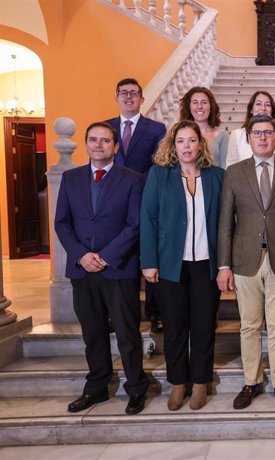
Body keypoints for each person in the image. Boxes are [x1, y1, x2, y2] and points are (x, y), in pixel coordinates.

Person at [54, 122, 149, 415]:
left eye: (105, 141)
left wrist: (105, 256)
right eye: (93, 140)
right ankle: (96, 387)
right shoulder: (70, 179)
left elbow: (135, 225)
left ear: (115, 147)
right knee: (93, 333)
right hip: (82, 270)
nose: (99, 145)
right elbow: (62, 223)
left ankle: (135, 387)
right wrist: (82, 255)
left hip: (118, 269)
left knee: (126, 332)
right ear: (86, 144)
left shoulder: (132, 179)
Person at [217, 115, 275, 411]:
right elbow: (224, 224)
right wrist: (223, 265)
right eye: (257, 133)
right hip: (245, 261)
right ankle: (251, 380)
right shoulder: (233, 173)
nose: (263, 138)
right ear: (248, 138)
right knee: (249, 326)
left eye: (268, 133)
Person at [139, 120, 224, 411]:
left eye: (191, 141)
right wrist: (149, 261)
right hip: (170, 263)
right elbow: (147, 219)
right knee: (175, 325)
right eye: (181, 141)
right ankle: (178, 382)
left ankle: (199, 382)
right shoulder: (159, 175)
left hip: (206, 263)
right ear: (172, 146)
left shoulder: (216, 176)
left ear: (200, 144)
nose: (187, 146)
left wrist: (225, 264)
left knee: (203, 325)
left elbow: (225, 223)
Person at [105, 77, 167, 334]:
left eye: (134, 93)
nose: (129, 97)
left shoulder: (156, 128)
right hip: (113, 204)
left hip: (145, 200)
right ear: (117, 97)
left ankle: (155, 313)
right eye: (124, 93)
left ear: (142, 99)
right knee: (118, 257)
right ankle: (117, 314)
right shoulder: (105, 128)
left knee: (150, 255)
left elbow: (159, 163)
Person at [226, 90, 275, 167]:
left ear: (272, 111)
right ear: (251, 110)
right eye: (258, 104)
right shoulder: (236, 135)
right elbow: (230, 169)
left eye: (268, 105)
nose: (263, 108)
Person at [178, 86, 229, 168]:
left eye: (204, 102)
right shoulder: (178, 135)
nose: (199, 106)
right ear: (189, 107)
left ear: (211, 107)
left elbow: (225, 169)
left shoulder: (223, 136)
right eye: (195, 102)